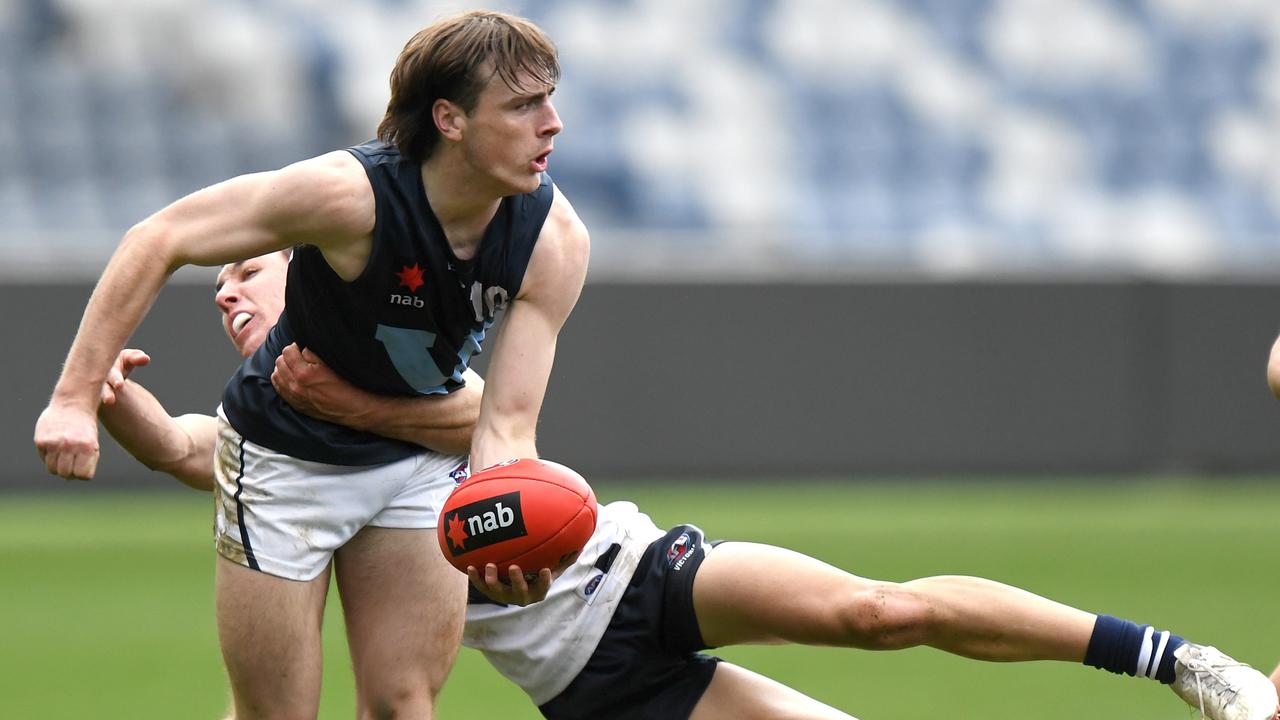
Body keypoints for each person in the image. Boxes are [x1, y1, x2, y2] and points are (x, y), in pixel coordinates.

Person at [99, 255, 1279, 720]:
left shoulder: (398, 353)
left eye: (245, 271)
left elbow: (483, 419)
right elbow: (193, 454)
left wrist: (356, 405)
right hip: (587, 686)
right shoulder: (273, 447)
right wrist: (122, 408)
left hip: (631, 573)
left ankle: (1182, 664)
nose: (226, 291)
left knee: (880, 611)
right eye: (218, 285)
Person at [36, 10, 589, 719]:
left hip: (416, 460)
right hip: (282, 457)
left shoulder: (554, 238)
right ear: (450, 119)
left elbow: (506, 426)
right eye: (523, 105)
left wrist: (503, 540)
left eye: (550, 98)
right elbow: (161, 234)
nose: (554, 123)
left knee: (402, 705)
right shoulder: (348, 195)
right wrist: (73, 397)